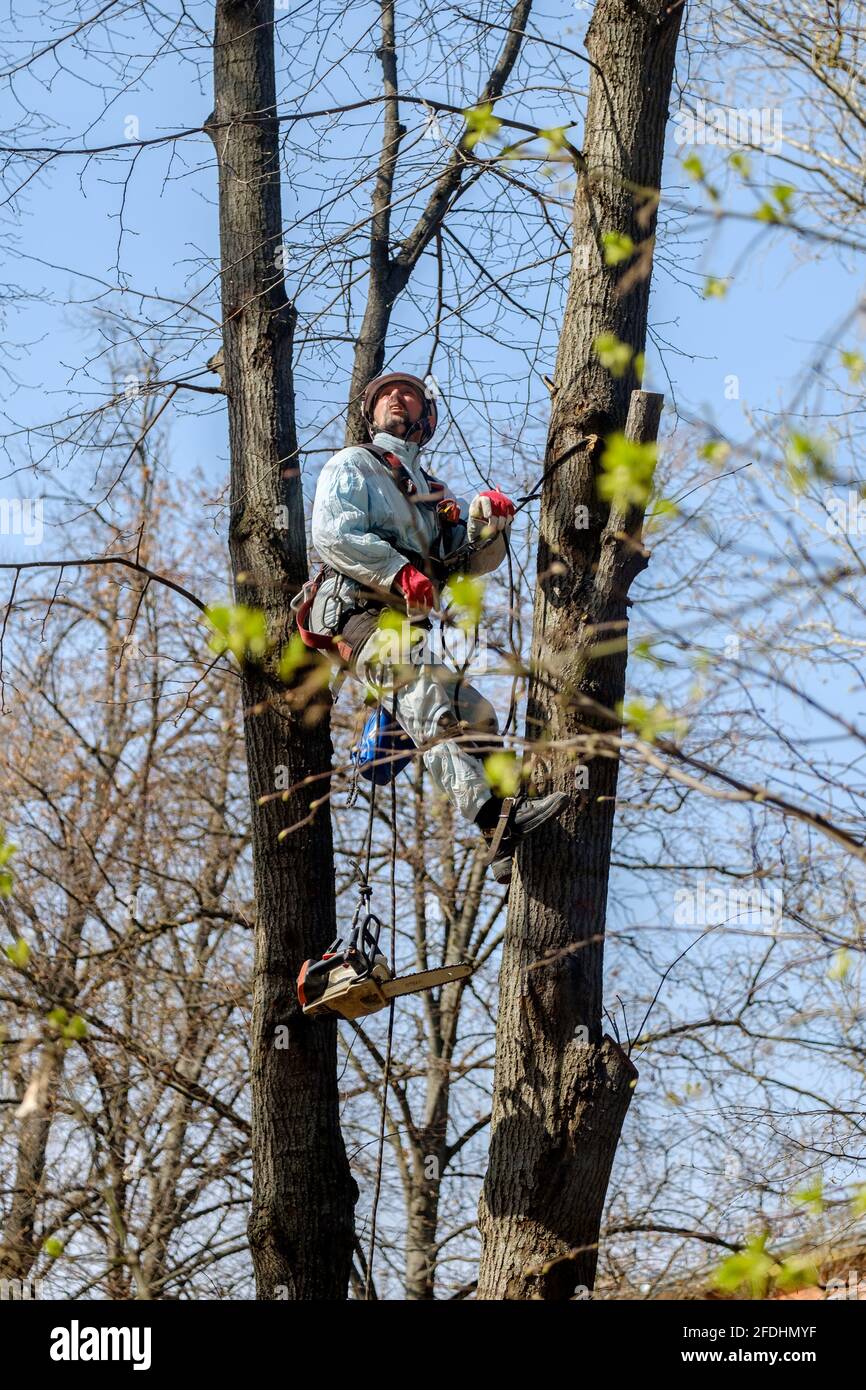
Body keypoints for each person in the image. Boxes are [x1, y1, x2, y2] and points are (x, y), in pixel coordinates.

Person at [307, 370, 566, 883]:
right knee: (426, 698)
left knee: (478, 713)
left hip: (403, 629)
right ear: (370, 412)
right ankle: (492, 818)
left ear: (425, 421)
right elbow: (332, 534)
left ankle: (505, 830)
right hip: (357, 615)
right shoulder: (354, 464)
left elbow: (464, 560)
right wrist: (398, 571)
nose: (396, 400)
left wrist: (488, 524)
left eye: (408, 396)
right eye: (386, 396)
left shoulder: (431, 495)